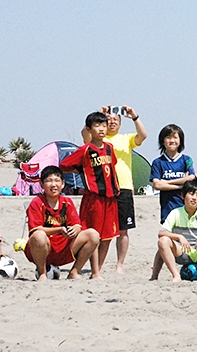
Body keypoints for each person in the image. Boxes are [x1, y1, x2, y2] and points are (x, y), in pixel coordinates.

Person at [83, 105, 147, 274]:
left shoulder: (126, 139)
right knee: (102, 231)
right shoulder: (99, 139)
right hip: (104, 190)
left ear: (120, 122)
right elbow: (85, 134)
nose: (112, 122)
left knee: (123, 230)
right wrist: (99, 115)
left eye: (115, 120)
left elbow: (143, 136)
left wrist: (134, 116)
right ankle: (98, 266)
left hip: (124, 187)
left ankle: (120, 264)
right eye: (108, 119)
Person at [60, 112, 120, 278]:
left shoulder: (109, 148)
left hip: (111, 197)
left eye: (103, 125)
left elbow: (111, 167)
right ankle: (91, 271)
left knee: (108, 237)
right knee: (94, 234)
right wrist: (81, 170)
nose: (101, 129)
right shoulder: (85, 149)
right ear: (89, 129)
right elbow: (64, 165)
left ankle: (97, 270)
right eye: (97, 126)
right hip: (94, 198)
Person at [24, 166, 100, 280]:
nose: (53, 185)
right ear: (41, 184)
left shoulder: (67, 202)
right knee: (38, 235)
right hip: (43, 249)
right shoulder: (37, 202)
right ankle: (42, 273)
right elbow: (35, 229)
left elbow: (77, 224)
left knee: (93, 234)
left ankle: (74, 272)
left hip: (65, 248)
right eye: (49, 181)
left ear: (63, 184)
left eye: (57, 181)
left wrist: (75, 229)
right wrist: (59, 229)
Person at [149, 124, 196, 280]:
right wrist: (181, 182)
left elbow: (192, 180)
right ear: (163, 141)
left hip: (186, 208)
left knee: (175, 242)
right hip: (168, 208)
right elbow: (157, 184)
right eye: (168, 137)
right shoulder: (158, 162)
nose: (172, 140)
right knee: (166, 240)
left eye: (175, 137)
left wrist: (167, 183)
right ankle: (158, 275)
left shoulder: (186, 160)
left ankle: (155, 275)